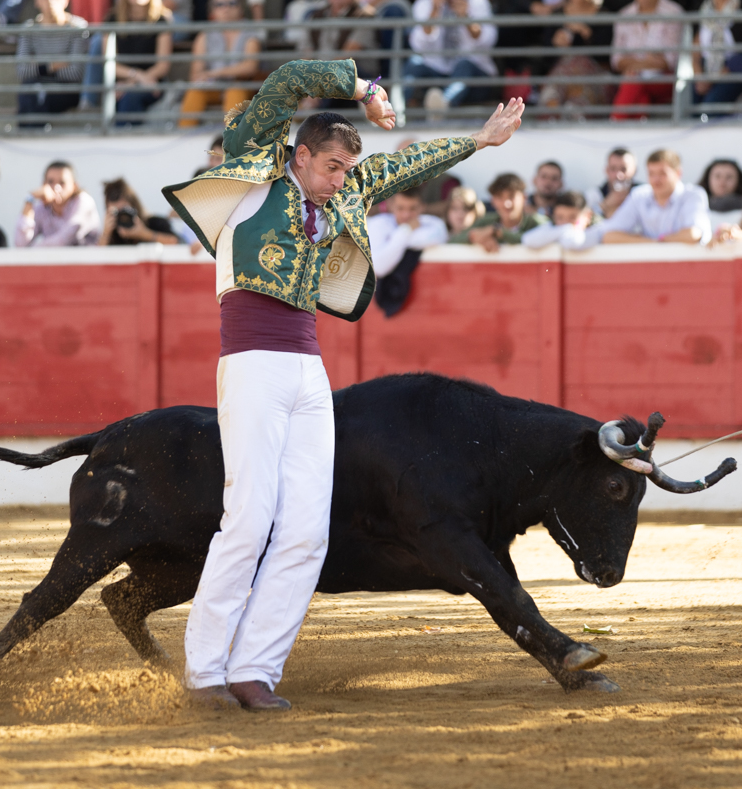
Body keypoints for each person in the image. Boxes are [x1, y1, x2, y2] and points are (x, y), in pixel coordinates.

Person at [161, 60, 524, 712]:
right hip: (250, 360)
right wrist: (364, 89)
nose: (340, 181)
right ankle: (206, 672)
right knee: (248, 519)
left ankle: (255, 671)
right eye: (331, 167)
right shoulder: (258, 168)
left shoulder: (346, 190)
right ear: (299, 156)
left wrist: (479, 139)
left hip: (306, 367)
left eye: (346, 171)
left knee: (305, 531)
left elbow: (405, 168)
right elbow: (287, 81)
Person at [178, 0, 261, 128]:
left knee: (235, 90)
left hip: (243, 87)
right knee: (195, 91)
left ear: (241, 7)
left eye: (232, 3)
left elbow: (249, 67)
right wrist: (209, 78)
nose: (226, 8)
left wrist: (214, 73)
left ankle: (231, 144)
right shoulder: (204, 36)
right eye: (220, 4)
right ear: (212, 10)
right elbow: (195, 74)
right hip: (213, 87)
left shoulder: (251, 33)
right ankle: (181, 136)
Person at [405, 0, 498, 111]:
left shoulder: (477, 1)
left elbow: (488, 41)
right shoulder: (425, 3)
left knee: (464, 65)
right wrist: (434, 11)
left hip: (474, 77)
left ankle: (443, 104)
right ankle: (395, 110)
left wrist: (467, 18)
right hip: (439, 74)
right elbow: (418, 45)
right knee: (414, 63)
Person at [368, 186, 449, 315]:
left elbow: (439, 234)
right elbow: (379, 267)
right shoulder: (379, 224)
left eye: (412, 209)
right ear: (391, 206)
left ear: (422, 207)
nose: (406, 215)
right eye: (400, 208)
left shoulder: (434, 224)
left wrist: (398, 238)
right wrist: (406, 231)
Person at [602, 149, 711, 244]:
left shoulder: (692, 195)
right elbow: (609, 236)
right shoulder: (639, 195)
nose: (656, 179)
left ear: (678, 173)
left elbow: (693, 234)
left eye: (662, 174)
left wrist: (655, 242)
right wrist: (655, 242)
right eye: (651, 174)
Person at [16, 0, 90, 122]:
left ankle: (30, 135)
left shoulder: (78, 27)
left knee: (37, 97)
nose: (50, 0)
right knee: (30, 92)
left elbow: (76, 73)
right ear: (37, 0)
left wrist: (39, 68)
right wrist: (54, 66)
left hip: (66, 91)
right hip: (35, 87)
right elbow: (22, 72)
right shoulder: (28, 29)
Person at [609, 0, 682, 118]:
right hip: (633, 80)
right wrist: (649, 62)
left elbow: (670, 60)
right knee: (641, 98)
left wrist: (633, 64)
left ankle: (614, 123)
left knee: (633, 81)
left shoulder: (674, 12)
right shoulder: (624, 15)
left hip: (664, 80)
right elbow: (616, 60)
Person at [538, 0, 614, 112]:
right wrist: (556, 45)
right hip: (561, 78)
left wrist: (587, 35)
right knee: (551, 100)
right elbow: (546, 59)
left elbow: (607, 59)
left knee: (576, 102)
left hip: (593, 79)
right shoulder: (556, 16)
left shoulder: (604, 16)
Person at [450, 173, 550, 251]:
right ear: (493, 201)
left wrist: (497, 232)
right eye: (500, 197)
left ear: (524, 198)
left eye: (511, 196)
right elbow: (451, 243)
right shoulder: (486, 221)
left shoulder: (537, 222)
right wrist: (474, 237)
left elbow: (548, 237)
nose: (506, 204)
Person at [15, 160, 102, 247]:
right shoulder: (42, 208)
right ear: (44, 184)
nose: (56, 187)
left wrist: (33, 251)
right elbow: (21, 244)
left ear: (75, 186)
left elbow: (64, 238)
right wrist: (31, 199)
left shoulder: (84, 201)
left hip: (88, 259)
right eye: (50, 182)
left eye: (62, 183)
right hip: (57, 260)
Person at [301, 0, 379, 81]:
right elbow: (307, 54)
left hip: (355, 77)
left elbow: (348, 55)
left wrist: (320, 78)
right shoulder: (315, 16)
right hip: (323, 77)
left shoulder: (365, 16)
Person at [691, 0, 742, 107]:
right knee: (689, 104)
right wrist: (700, 77)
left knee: (709, 107)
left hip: (732, 71)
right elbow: (695, 51)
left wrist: (714, 78)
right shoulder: (702, 9)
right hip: (705, 68)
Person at [99, 178, 181, 245]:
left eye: (125, 211)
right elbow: (97, 258)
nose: (122, 217)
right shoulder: (112, 235)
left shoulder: (155, 223)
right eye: (116, 212)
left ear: (134, 206)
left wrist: (144, 233)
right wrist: (106, 234)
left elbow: (176, 243)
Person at [521, 190, 604, 250]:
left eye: (572, 217)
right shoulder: (555, 227)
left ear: (588, 216)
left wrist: (562, 230)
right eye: (560, 217)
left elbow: (572, 242)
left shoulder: (599, 229)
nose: (565, 222)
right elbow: (527, 240)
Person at [585, 147, 637, 217]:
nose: (619, 175)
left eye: (624, 169)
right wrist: (605, 205)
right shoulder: (594, 195)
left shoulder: (644, 193)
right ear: (606, 170)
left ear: (635, 171)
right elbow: (583, 220)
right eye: (613, 169)